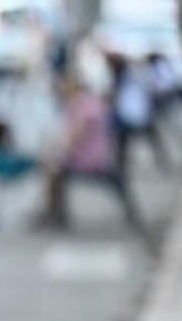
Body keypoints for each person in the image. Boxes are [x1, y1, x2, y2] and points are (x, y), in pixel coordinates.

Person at [34, 75, 139, 230]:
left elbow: (79, 136)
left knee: (55, 170)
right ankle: (53, 212)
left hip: (92, 160)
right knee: (53, 169)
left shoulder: (84, 106)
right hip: (96, 156)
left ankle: (53, 214)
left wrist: (60, 149)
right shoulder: (87, 104)